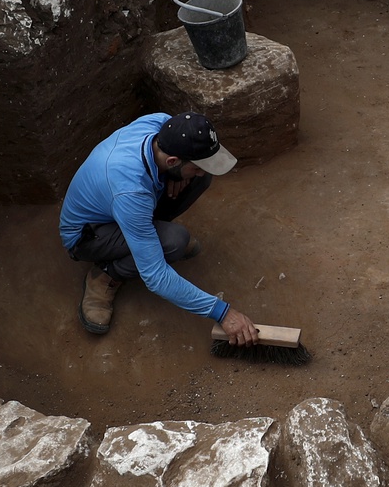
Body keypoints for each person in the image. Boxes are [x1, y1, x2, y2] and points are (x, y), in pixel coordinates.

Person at [60, 110, 260, 344]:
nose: (201, 170)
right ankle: (105, 275)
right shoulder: (131, 191)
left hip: (122, 206)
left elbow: (187, 158)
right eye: (195, 166)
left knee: (200, 179)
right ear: (172, 161)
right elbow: (156, 277)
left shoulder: (160, 123)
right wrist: (223, 313)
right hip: (88, 235)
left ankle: (148, 236)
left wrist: (180, 175)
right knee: (174, 242)